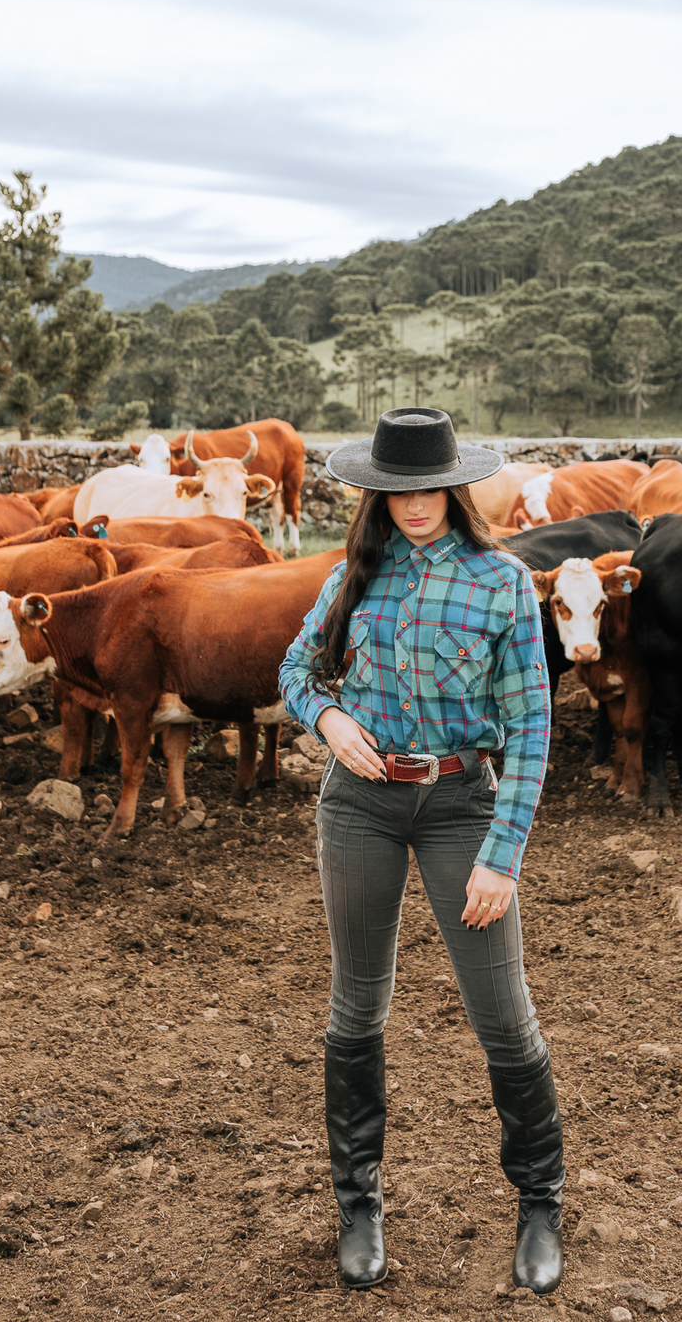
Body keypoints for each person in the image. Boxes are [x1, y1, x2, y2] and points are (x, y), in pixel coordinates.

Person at [278, 407, 563, 1294]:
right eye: (396, 492)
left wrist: (502, 853)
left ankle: (540, 1203)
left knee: (502, 1013)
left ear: (455, 487)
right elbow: (295, 669)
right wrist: (327, 719)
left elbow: (532, 726)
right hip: (358, 806)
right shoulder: (353, 576)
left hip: (460, 806)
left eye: (430, 489)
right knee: (356, 1006)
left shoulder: (502, 583)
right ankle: (358, 1205)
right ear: (376, 494)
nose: (414, 506)